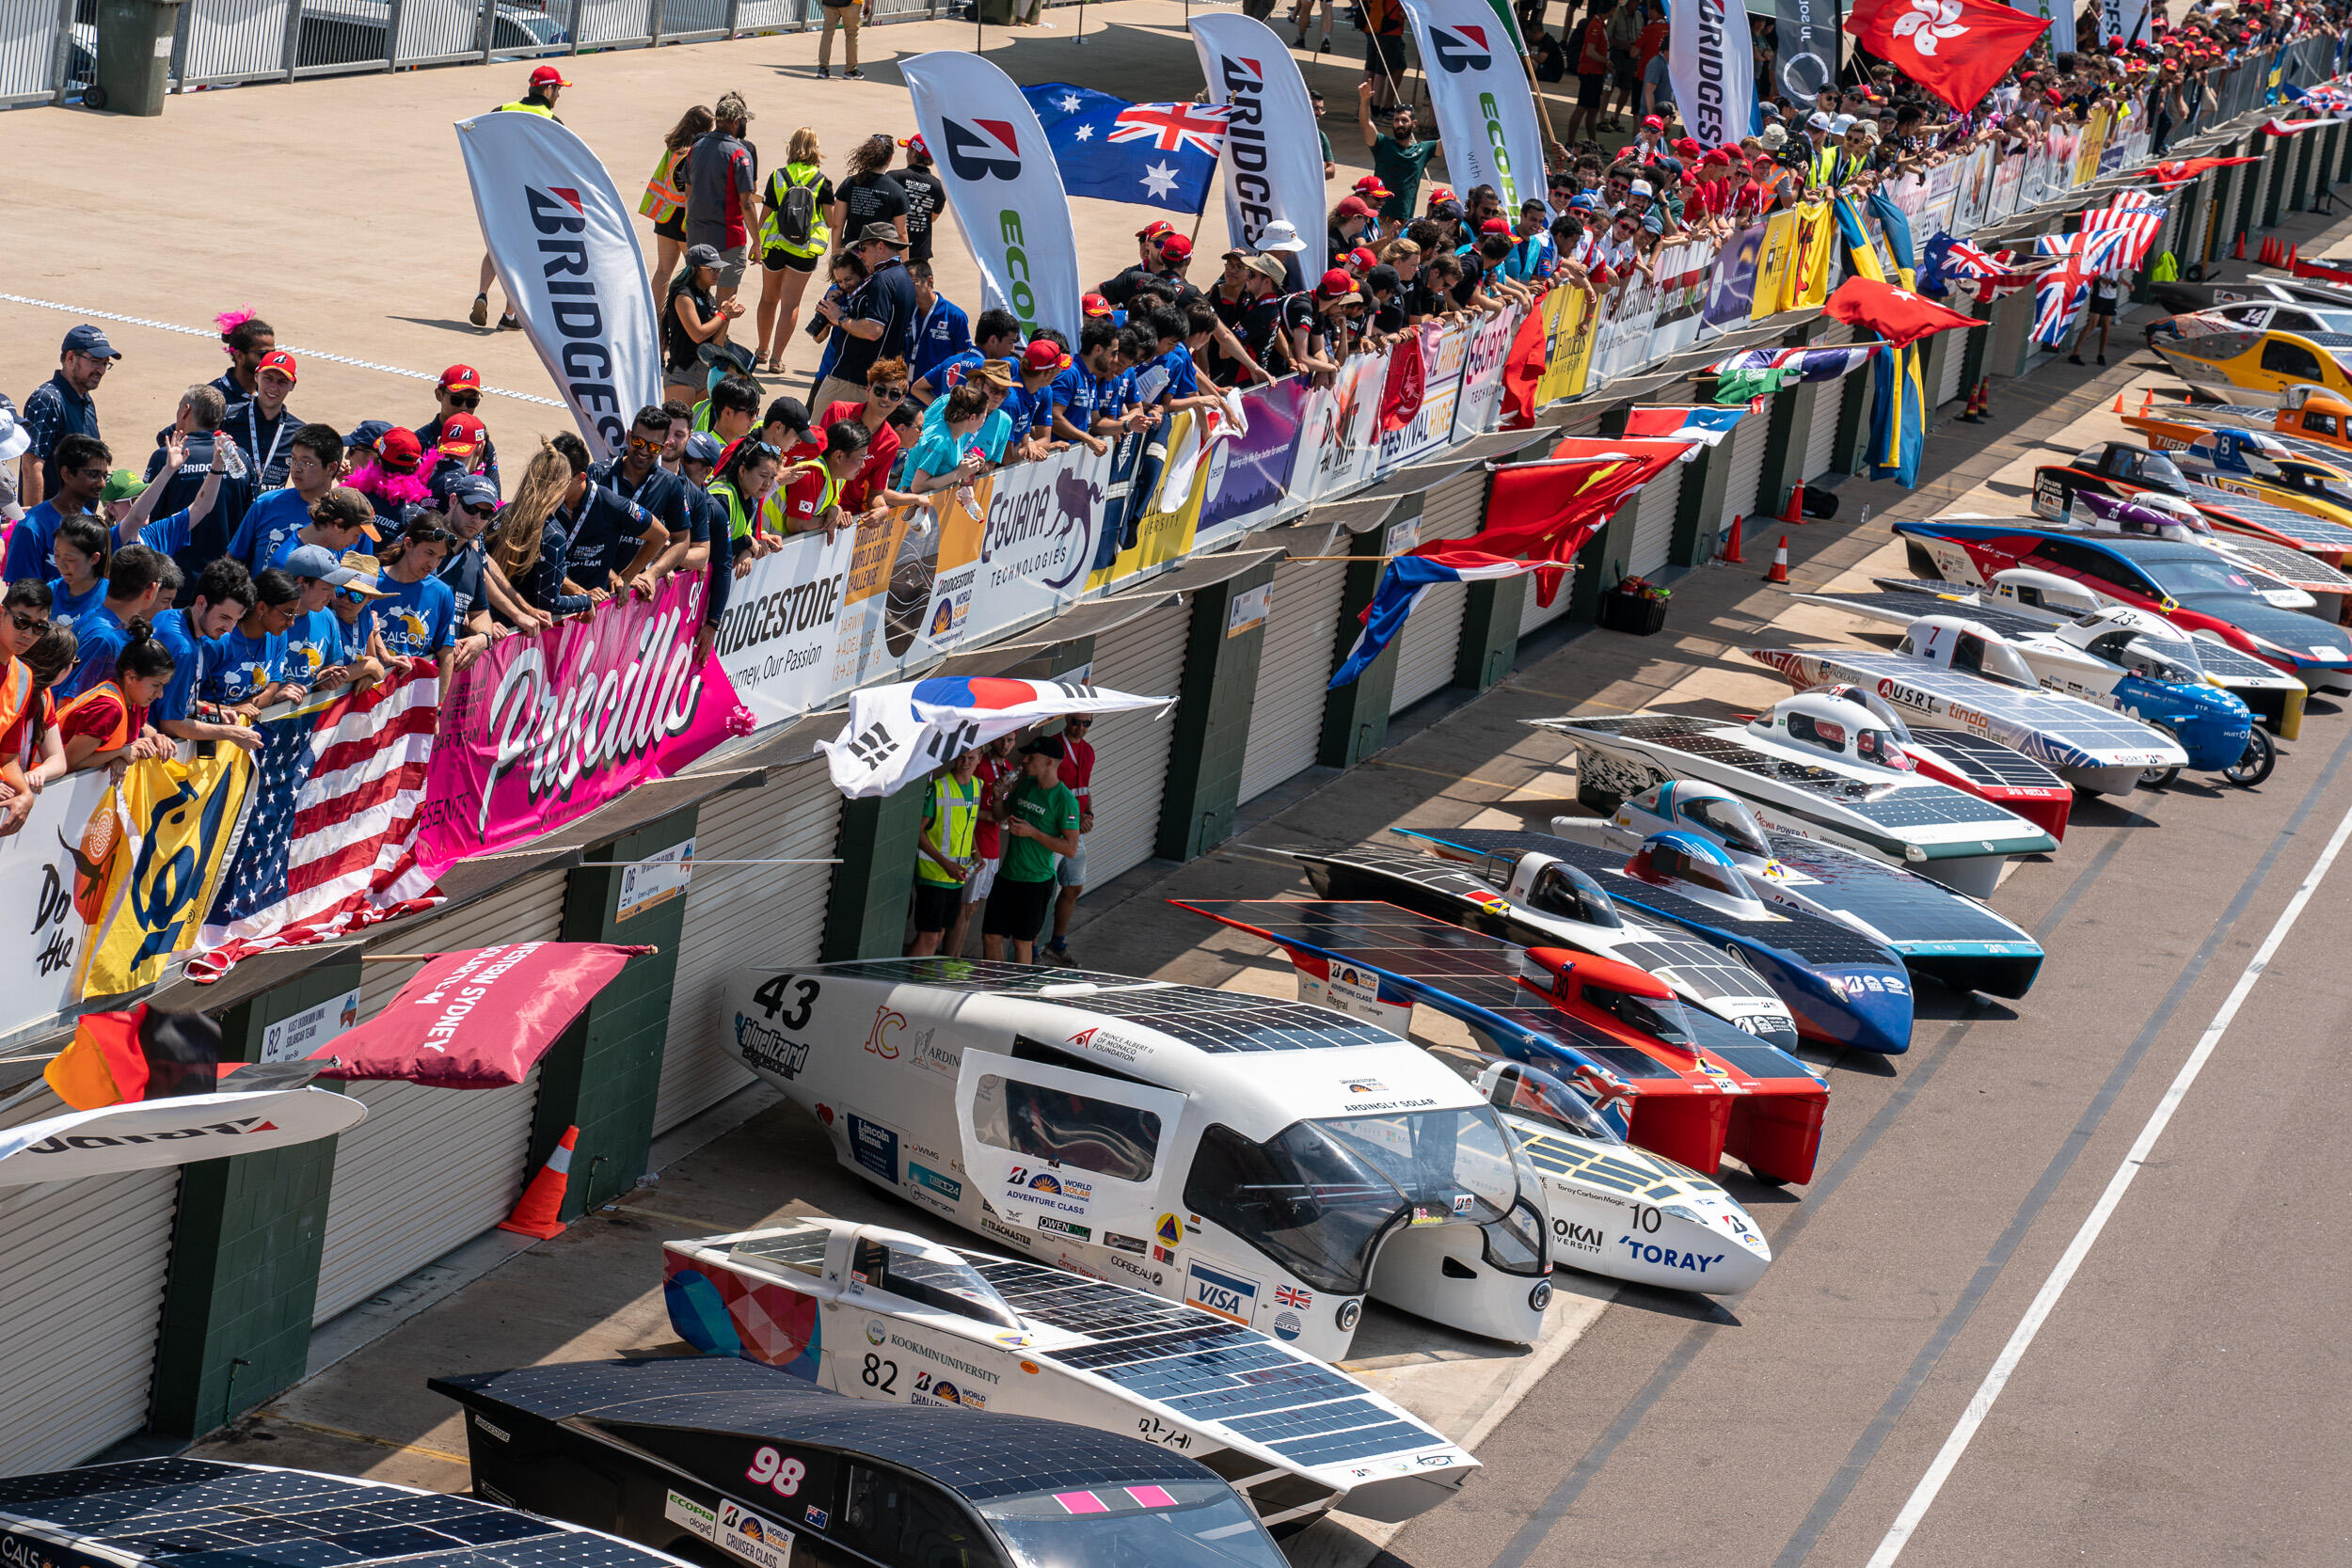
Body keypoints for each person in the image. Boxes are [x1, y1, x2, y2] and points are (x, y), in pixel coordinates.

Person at [473, 65, 570, 330]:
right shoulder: (550, 121)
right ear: (548, 89)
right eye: (558, 89)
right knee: (523, 256)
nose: (559, 95)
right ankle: (510, 315)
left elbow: (479, 137)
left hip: (499, 192)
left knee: (496, 247)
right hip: (531, 196)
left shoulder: (502, 110)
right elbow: (562, 162)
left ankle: (482, 293)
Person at [982, 735, 1081, 964]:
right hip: (1008, 875)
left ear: (1049, 762)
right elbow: (999, 815)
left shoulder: (1065, 800)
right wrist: (997, 798)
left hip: (1036, 881)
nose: (1024, 761)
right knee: (991, 936)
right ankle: (991, 988)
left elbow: (1070, 848)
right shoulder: (1025, 786)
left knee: (1022, 941)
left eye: (1031, 757)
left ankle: (1015, 992)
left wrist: (1034, 833)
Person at [148, 558, 262, 752]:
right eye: (224, 617)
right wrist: (231, 733)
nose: (229, 628)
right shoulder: (183, 648)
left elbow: (177, 701)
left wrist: (221, 711)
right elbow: (171, 723)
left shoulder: (170, 616)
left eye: (236, 620)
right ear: (201, 602)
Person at [811, 223, 917, 412]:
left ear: (880, 246)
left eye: (863, 248)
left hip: (851, 380)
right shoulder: (904, 278)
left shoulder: (883, 279)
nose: (860, 254)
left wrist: (840, 318)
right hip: (872, 380)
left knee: (819, 436)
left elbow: (873, 330)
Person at [755, 128, 834, 375]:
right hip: (804, 250)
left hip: (775, 246)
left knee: (769, 298)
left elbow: (765, 213)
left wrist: (756, 244)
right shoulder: (823, 181)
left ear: (791, 147)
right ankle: (777, 359)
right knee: (791, 304)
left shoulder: (778, 176)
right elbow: (831, 221)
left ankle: (762, 350)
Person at [589, 405, 698, 582]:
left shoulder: (669, 484)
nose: (644, 451)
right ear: (628, 436)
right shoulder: (599, 474)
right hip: (589, 584)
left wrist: (651, 573)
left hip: (629, 591)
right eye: (638, 442)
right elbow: (581, 536)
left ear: (664, 448)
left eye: (653, 447)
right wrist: (617, 578)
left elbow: (682, 540)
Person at [225, 424, 348, 578]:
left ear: (331, 468)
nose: (296, 468)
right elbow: (234, 558)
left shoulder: (348, 519)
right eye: (293, 459)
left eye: (306, 462)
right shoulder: (266, 503)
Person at [18, 324, 117, 510]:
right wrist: (37, 525)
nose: (101, 370)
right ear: (70, 358)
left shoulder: (86, 401)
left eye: (105, 363)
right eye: (95, 361)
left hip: (78, 524)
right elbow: (31, 467)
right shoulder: (47, 399)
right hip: (54, 524)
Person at [56, 623, 176, 774]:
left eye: (162, 686)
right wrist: (121, 752)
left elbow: (127, 739)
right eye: (155, 685)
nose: (160, 694)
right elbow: (69, 762)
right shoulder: (108, 708)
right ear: (131, 677)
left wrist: (156, 738)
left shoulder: (137, 700)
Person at [3, 431, 109, 583]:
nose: (102, 483)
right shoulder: (30, 527)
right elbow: (22, 597)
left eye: (105, 476)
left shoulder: (93, 524)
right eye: (94, 474)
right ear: (66, 474)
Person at [687, 92, 759, 305]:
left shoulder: (696, 147)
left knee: (695, 292)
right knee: (725, 301)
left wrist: (691, 225)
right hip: (728, 237)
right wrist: (757, 242)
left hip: (697, 233)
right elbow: (746, 202)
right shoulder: (739, 153)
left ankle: (694, 335)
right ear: (736, 122)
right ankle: (717, 339)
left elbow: (688, 193)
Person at [909, 746, 980, 957]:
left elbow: (968, 825)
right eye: (960, 757)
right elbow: (918, 832)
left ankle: (916, 980)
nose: (965, 762)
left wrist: (976, 851)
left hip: (956, 877)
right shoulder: (939, 788)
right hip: (933, 876)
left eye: (971, 757)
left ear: (979, 759)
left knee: (938, 935)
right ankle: (909, 984)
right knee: (928, 937)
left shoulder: (977, 786)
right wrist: (944, 863)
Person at [368, 520, 459, 680]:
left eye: (440, 558)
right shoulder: (370, 583)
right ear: (408, 544)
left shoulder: (441, 592)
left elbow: (446, 655)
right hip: (367, 693)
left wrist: (438, 704)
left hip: (411, 697)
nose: (433, 564)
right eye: (429, 553)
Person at [817, 360, 909, 516]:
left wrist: (882, 510)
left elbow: (876, 493)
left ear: (901, 400)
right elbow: (818, 462)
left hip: (850, 513)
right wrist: (831, 509)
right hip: (819, 503)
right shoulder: (838, 411)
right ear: (868, 389)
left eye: (894, 394)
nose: (886, 398)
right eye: (880, 391)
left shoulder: (892, 441)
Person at [202, 567, 302, 713]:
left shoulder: (278, 635)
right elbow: (188, 701)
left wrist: (243, 710)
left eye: (295, 614)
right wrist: (232, 711)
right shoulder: (217, 640)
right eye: (288, 613)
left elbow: (271, 690)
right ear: (261, 607)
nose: (291, 622)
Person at [644, 104, 716, 300]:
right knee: (698, 274)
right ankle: (693, 317)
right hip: (687, 220)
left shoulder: (673, 148)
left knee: (663, 272)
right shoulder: (696, 153)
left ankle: (655, 320)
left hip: (666, 217)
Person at [957, 730, 1017, 956]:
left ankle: (955, 960)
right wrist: (992, 817)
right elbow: (968, 808)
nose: (1005, 744)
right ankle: (951, 959)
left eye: (1010, 740)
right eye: (1001, 738)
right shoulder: (980, 767)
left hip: (993, 849)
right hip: (976, 847)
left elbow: (1000, 809)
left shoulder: (1009, 771)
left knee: (972, 907)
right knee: (963, 907)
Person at [1041, 713, 1096, 964]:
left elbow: (1085, 788)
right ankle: (1030, 948)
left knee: (1073, 886)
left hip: (1075, 830)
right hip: (1053, 830)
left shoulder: (1089, 751)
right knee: (1042, 889)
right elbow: (1046, 792)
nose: (1080, 728)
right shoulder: (1053, 748)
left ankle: (1057, 944)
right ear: (1066, 720)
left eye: (1087, 723)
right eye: (1076, 721)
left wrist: (1089, 815)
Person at [664, 245, 745, 403]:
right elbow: (698, 334)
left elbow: (717, 344)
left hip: (704, 372)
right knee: (678, 427)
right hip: (683, 373)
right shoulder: (683, 295)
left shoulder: (708, 298)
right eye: (711, 269)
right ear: (695, 269)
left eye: (718, 269)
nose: (717, 273)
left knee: (701, 426)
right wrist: (722, 315)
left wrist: (726, 318)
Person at [1359, 81, 1442, 230]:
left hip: (1404, 223)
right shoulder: (1382, 144)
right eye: (1396, 120)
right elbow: (1366, 123)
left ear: (1414, 123)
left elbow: (1450, 143)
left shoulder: (1424, 150)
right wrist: (1365, 99)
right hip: (1379, 220)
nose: (1400, 124)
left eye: (1404, 120)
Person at [220, 350, 304, 489]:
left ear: (292, 386)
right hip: (230, 504)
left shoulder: (299, 431)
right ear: (256, 377)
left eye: (282, 382)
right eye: (268, 378)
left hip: (271, 508)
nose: (273, 387)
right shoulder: (227, 416)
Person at [419, 366, 501, 495]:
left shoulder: (483, 443)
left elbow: (495, 496)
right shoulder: (419, 441)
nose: (464, 407)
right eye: (456, 399)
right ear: (439, 395)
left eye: (471, 401)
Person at [829, 135, 910, 256]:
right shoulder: (896, 191)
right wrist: (905, 267)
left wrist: (835, 257)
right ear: (890, 159)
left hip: (851, 253)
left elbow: (837, 225)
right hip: (879, 255)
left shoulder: (849, 183)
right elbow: (901, 234)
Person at [905, 262, 973, 396]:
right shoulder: (906, 312)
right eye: (904, 285)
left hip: (934, 395)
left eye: (912, 283)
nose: (907, 289)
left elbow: (962, 359)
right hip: (904, 393)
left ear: (929, 281)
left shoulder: (954, 316)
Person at [45, 515, 110, 631]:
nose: (61, 565)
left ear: (94, 558)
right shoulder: (48, 592)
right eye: (57, 555)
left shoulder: (109, 598)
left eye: (70, 559)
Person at [896, 135, 946, 265]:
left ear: (914, 152)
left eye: (908, 150)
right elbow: (932, 218)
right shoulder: (938, 186)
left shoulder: (894, 177)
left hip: (892, 250)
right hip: (920, 254)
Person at [211, 313, 276, 408]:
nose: (270, 360)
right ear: (239, 356)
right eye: (263, 354)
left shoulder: (272, 391)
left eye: (273, 353)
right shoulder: (212, 398)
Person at [2072, 271, 2122, 366]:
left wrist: (2128, 284)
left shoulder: (2118, 260)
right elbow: (2090, 274)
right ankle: (2075, 353)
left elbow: (2117, 275)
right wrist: (2101, 279)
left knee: (2106, 327)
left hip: (2111, 297)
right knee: (2092, 324)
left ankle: (2101, 355)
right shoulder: (2102, 259)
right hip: (2099, 296)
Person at [817, 0, 869, 80]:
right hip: (852, 3)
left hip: (831, 3)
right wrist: (868, 4)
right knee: (851, 35)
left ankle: (823, 69)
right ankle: (850, 70)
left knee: (827, 34)